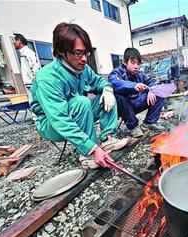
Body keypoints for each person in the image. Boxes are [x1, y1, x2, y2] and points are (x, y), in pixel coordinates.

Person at [31, 22, 128, 169]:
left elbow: (99, 82)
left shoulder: (83, 69)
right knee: (81, 102)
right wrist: (93, 148)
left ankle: (108, 139)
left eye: (86, 53)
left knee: (108, 94)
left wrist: (107, 89)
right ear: (61, 51)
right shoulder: (48, 78)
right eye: (78, 53)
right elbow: (60, 119)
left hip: (78, 114)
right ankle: (88, 153)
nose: (84, 59)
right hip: (51, 124)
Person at [108, 48, 165, 137]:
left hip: (136, 103)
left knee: (159, 91)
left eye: (138, 64)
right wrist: (133, 86)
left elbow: (151, 81)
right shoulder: (116, 73)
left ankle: (149, 123)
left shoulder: (140, 74)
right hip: (123, 107)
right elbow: (114, 82)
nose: (136, 66)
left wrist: (152, 90)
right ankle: (133, 126)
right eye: (133, 63)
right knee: (119, 96)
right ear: (124, 62)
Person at [12, 33, 41, 103]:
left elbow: (36, 66)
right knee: (32, 102)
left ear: (19, 41)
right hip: (28, 83)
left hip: (32, 83)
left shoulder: (29, 53)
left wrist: (34, 80)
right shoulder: (23, 54)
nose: (13, 43)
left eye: (14, 41)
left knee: (36, 102)